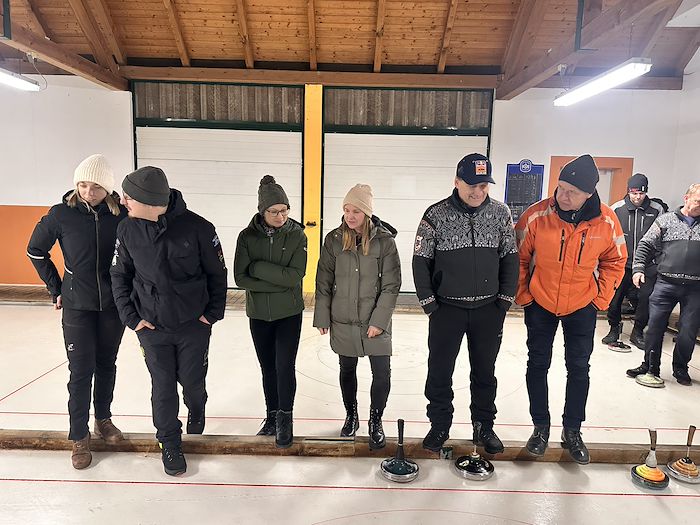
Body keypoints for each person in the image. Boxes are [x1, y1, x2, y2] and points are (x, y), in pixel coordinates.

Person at [110, 166, 227, 476]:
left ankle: (197, 407)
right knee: (162, 386)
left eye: (129, 197)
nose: (123, 202)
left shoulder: (199, 228)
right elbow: (119, 275)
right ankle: (169, 442)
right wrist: (132, 318)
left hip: (193, 325)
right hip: (151, 326)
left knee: (192, 382)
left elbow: (217, 274)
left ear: (149, 201)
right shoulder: (127, 229)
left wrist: (210, 315)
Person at [515, 154, 626, 464]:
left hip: (582, 305)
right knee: (538, 363)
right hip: (541, 302)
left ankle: (572, 430)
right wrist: (524, 295)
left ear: (589, 193)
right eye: (560, 188)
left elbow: (616, 261)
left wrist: (600, 299)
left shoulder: (606, 221)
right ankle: (540, 427)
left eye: (571, 192)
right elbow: (518, 258)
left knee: (578, 368)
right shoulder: (537, 215)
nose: (562, 196)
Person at [412, 153, 518, 454]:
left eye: (484, 186)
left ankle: (484, 426)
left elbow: (511, 258)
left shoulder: (500, 214)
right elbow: (420, 261)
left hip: (488, 310)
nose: (478, 192)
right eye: (472, 185)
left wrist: (504, 300)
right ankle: (439, 425)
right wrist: (430, 304)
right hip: (447, 310)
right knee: (439, 371)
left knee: (485, 372)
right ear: (457, 182)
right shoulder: (435, 215)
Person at [27, 154, 127, 469]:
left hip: (112, 305)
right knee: (81, 370)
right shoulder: (61, 214)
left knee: (106, 364)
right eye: (82, 185)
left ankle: (103, 420)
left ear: (107, 188)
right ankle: (79, 436)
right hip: (76, 306)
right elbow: (35, 250)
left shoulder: (122, 215)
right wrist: (55, 287)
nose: (88, 192)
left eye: (95, 187)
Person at [313, 184, 401, 450]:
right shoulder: (333, 240)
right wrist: (322, 316)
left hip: (375, 320)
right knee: (347, 369)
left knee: (381, 373)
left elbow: (391, 285)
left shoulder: (385, 242)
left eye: (356, 211)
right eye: (346, 210)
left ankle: (376, 420)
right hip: (343, 318)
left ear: (367, 213)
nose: (350, 216)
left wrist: (379, 321)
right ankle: (351, 415)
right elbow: (323, 280)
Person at [234, 176, 307, 448]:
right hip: (259, 316)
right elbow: (240, 278)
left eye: (284, 210)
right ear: (262, 211)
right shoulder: (247, 237)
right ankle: (272, 416)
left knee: (284, 366)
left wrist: (258, 268)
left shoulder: (297, 235)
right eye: (274, 211)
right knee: (268, 368)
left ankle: (286, 419)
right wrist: (278, 281)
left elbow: (294, 276)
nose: (281, 217)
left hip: (289, 314)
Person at [627, 183, 700, 388]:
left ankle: (681, 368)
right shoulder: (665, 220)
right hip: (666, 284)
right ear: (686, 198)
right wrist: (638, 269)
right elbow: (645, 245)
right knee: (654, 327)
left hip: (695, 288)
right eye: (698, 201)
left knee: (688, 330)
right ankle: (650, 367)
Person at [602, 174, 664, 350]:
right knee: (614, 300)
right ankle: (614, 329)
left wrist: (658, 259)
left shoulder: (657, 209)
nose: (638, 197)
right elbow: (609, 235)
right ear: (628, 191)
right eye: (634, 193)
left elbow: (662, 236)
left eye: (641, 193)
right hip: (621, 264)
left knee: (645, 301)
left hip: (647, 266)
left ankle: (637, 332)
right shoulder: (616, 208)